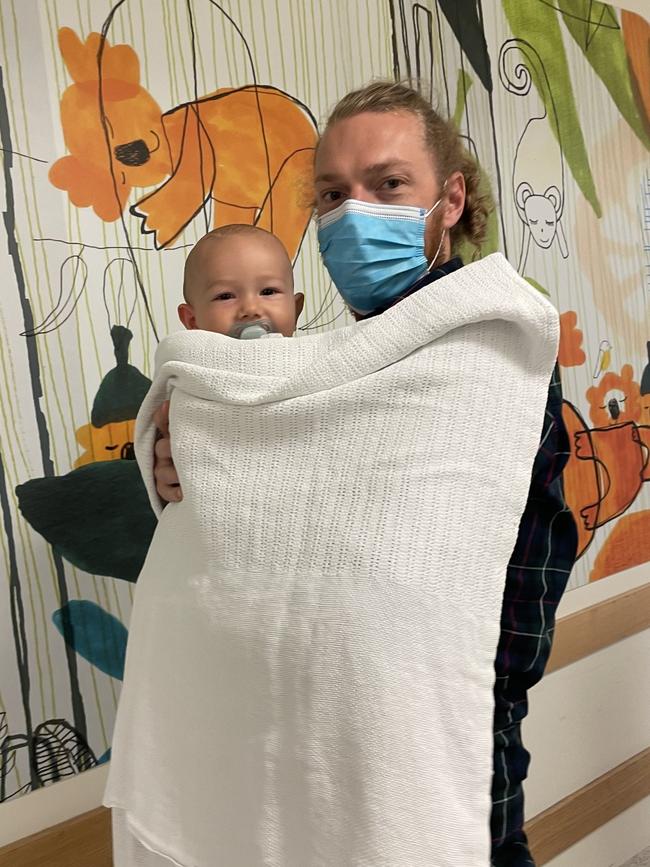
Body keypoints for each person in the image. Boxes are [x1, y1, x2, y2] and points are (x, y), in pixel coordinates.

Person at [151, 81, 578, 866]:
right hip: (309, 733)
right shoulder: (317, 366)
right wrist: (180, 454)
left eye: (388, 185)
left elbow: (540, 542)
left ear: (449, 200)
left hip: (442, 720)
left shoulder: (490, 351)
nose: (354, 213)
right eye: (332, 194)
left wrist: (483, 690)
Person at [177, 223, 304, 337]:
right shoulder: (183, 363)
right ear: (192, 321)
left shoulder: (314, 358)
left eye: (268, 292)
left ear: (295, 310)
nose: (251, 309)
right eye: (226, 296)